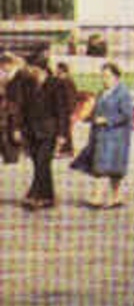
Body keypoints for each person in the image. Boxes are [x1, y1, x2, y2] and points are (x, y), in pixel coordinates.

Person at [72, 62, 134, 208]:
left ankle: (102, 197)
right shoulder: (102, 93)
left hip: (116, 137)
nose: (104, 79)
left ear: (116, 77)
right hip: (101, 135)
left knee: (111, 169)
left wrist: (108, 120)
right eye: (103, 76)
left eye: (107, 76)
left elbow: (127, 115)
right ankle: (110, 197)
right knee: (101, 166)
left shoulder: (123, 93)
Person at [13, 59, 68, 210]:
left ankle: (34, 195)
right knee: (39, 163)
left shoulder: (56, 84)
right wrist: (17, 128)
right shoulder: (28, 84)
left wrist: (62, 134)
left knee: (43, 161)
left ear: (42, 69)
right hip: (31, 130)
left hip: (49, 130)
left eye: (33, 69)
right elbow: (21, 106)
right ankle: (48, 196)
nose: (31, 72)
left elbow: (62, 111)